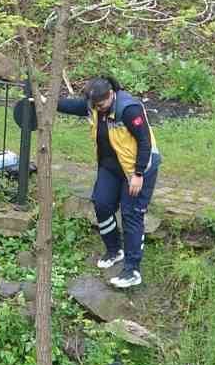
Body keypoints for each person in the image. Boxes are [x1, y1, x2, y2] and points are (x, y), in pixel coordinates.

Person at [56, 76, 161, 290]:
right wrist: (43, 101)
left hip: (138, 168)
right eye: (95, 106)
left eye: (102, 105)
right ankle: (114, 250)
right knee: (101, 203)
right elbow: (73, 106)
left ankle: (132, 270)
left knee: (131, 214)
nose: (99, 109)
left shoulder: (129, 110)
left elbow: (145, 141)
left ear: (111, 95)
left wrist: (138, 174)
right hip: (111, 167)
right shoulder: (95, 106)